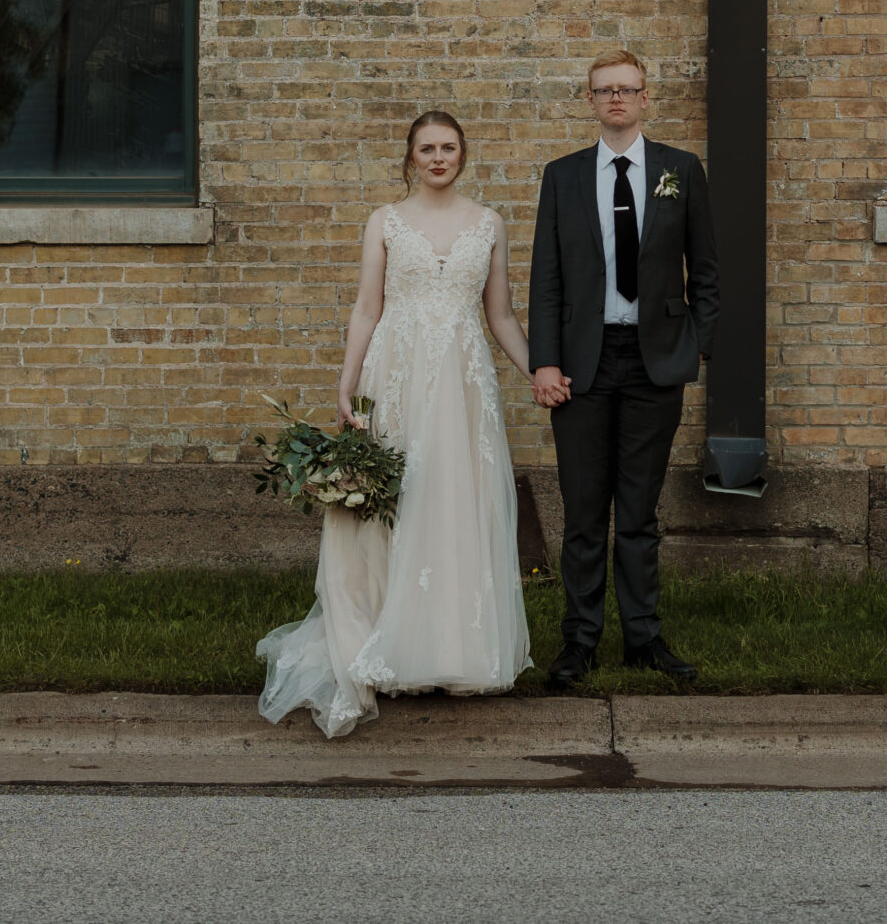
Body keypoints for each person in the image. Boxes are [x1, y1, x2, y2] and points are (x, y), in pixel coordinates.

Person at [257, 111, 536, 737]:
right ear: (410, 157)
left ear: (464, 154)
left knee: (455, 503)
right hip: (398, 376)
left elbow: (502, 317)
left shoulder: (489, 224)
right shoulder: (384, 222)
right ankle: (385, 636)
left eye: (449, 148)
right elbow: (366, 307)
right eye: (427, 149)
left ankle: (452, 650)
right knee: (393, 506)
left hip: (464, 383)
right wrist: (346, 382)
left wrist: (540, 369)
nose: (439, 158)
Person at [527, 49, 718, 688]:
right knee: (584, 513)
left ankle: (643, 637)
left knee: (638, 511)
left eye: (627, 89)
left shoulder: (680, 171)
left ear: (645, 98)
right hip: (582, 363)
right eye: (604, 90)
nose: (616, 99)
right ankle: (578, 643)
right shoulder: (563, 177)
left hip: (653, 360)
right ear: (589, 101)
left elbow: (708, 272)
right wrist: (544, 361)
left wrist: (697, 344)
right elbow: (546, 280)